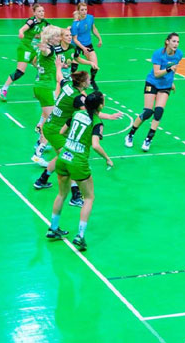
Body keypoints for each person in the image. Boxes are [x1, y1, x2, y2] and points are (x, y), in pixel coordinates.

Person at [46, 91, 114, 251]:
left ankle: (53, 228)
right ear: (100, 106)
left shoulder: (76, 114)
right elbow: (95, 145)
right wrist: (107, 158)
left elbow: (62, 132)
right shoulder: (97, 122)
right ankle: (80, 236)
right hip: (78, 161)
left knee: (61, 194)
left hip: (63, 157)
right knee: (89, 197)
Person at [124, 33, 182, 151]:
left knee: (159, 111)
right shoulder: (158, 54)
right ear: (167, 42)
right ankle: (130, 135)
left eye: (177, 42)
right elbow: (156, 74)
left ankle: (148, 139)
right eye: (174, 41)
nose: (176, 44)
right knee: (148, 112)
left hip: (165, 85)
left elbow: (174, 69)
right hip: (152, 83)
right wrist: (168, 69)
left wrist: (171, 81)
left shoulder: (179, 54)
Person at [0, 4, 50, 102]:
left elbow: (53, 30)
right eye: (39, 11)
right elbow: (22, 29)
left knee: (41, 68)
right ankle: (3, 89)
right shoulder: (31, 21)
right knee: (20, 72)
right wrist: (21, 33)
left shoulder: (45, 23)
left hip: (35, 49)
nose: (42, 13)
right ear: (34, 13)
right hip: (25, 47)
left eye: (43, 11)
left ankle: (37, 91)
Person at [29, 25, 65, 166]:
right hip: (47, 88)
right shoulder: (48, 49)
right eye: (57, 36)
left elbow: (35, 61)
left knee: (45, 117)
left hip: (39, 86)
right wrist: (44, 48)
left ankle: (39, 141)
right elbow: (46, 52)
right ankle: (38, 154)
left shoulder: (47, 49)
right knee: (51, 122)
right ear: (50, 37)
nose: (59, 38)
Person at [70, 2, 103, 90]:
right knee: (74, 65)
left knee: (95, 65)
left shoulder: (90, 18)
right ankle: (72, 81)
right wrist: (83, 48)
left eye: (85, 9)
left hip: (88, 44)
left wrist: (99, 39)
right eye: (82, 10)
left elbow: (94, 28)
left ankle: (92, 80)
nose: (84, 11)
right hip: (76, 45)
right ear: (78, 11)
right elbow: (75, 39)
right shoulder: (75, 24)